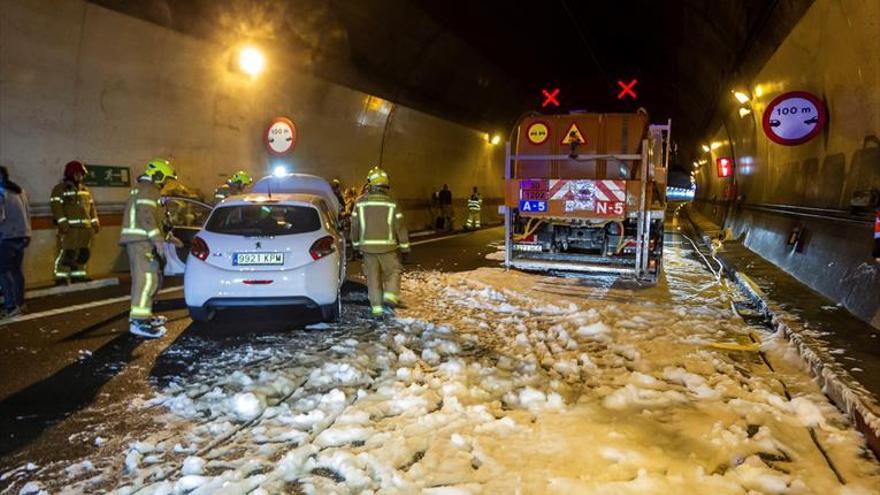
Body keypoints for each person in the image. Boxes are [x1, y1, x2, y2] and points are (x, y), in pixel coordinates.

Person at [120, 158, 178, 338]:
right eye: (165, 179)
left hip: (140, 241)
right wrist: (158, 240)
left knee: (148, 279)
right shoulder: (148, 190)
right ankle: (138, 322)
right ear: (158, 175)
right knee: (145, 281)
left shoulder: (144, 189)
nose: (166, 183)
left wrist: (167, 237)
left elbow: (151, 218)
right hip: (140, 241)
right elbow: (146, 217)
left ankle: (144, 315)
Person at [351, 166, 410, 316]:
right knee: (394, 271)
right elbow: (400, 226)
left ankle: (376, 309)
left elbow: (355, 225)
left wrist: (355, 245)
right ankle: (390, 297)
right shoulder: (392, 203)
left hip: (367, 250)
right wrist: (405, 247)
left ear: (370, 183)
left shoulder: (360, 202)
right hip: (388, 248)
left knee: (373, 278)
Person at [49, 161, 99, 283]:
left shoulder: (85, 190)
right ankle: (61, 277)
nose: (79, 176)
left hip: (85, 228)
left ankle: (78, 275)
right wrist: (63, 224)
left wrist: (95, 222)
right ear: (70, 174)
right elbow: (56, 208)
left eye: (81, 174)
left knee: (83, 253)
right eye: (77, 174)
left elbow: (92, 208)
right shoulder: (60, 189)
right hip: (70, 229)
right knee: (68, 252)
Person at [0, 166, 31, 319]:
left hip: (6, 236)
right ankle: (20, 303)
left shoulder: (1, 192)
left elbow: (0, 217)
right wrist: (28, 234)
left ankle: (11, 306)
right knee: (17, 271)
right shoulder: (20, 191)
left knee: (4, 272)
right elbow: (27, 212)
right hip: (22, 236)